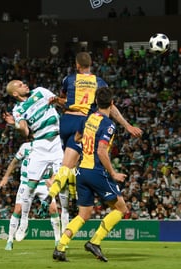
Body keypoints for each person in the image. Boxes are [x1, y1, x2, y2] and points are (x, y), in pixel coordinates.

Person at [46, 51, 142, 205]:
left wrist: (57, 101)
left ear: (77, 65)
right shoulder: (99, 82)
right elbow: (111, 108)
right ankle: (53, 183)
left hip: (66, 121)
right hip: (83, 122)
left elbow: (65, 100)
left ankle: (69, 187)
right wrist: (127, 125)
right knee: (73, 161)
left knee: (72, 159)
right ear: (90, 65)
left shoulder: (68, 79)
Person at [53, 87, 128, 262]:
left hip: (81, 171)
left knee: (83, 214)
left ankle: (61, 247)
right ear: (111, 103)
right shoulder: (108, 125)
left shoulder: (88, 118)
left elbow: (77, 137)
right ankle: (95, 241)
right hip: (96, 171)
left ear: (95, 102)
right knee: (121, 209)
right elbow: (102, 151)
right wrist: (113, 173)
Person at [2, 80, 66, 247]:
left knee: (63, 175)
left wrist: (57, 101)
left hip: (57, 140)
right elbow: (25, 131)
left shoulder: (40, 91)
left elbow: (62, 103)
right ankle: (24, 222)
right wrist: (15, 125)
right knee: (30, 184)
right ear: (15, 94)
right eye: (20, 85)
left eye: (23, 83)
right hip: (39, 144)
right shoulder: (18, 110)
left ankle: (46, 202)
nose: (24, 85)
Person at [0, 141, 69, 250]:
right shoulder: (26, 147)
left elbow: (58, 168)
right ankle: (10, 240)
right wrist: (5, 177)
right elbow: (14, 162)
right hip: (26, 182)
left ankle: (57, 240)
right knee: (18, 210)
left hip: (43, 183)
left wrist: (52, 180)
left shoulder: (51, 148)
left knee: (53, 209)